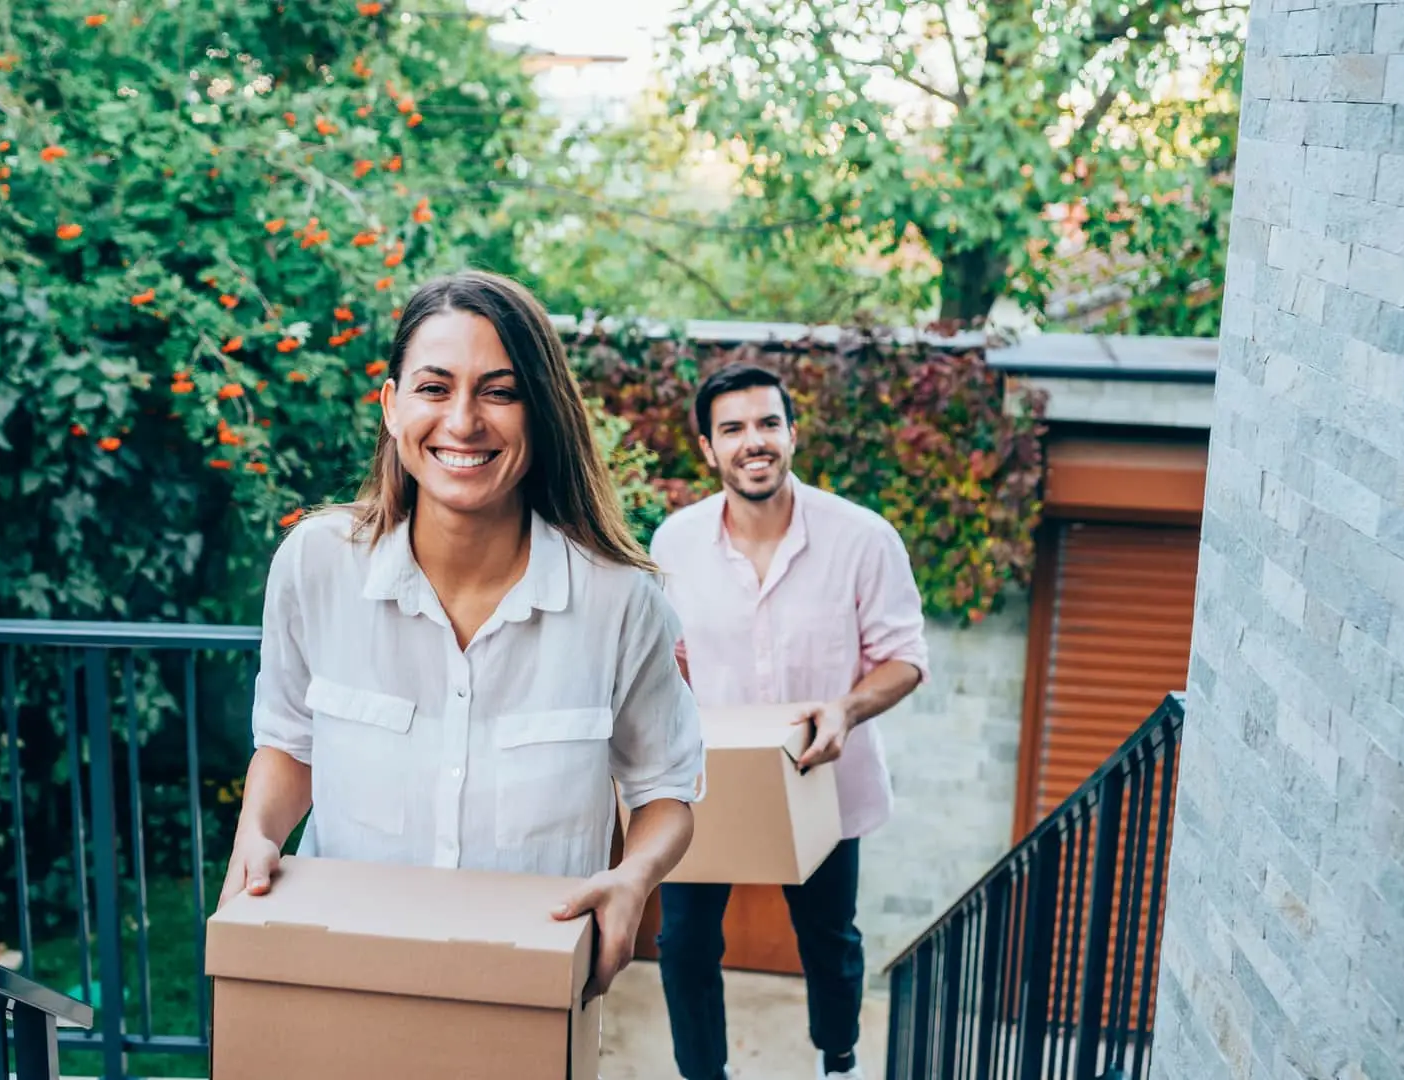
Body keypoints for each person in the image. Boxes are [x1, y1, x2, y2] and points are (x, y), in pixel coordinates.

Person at [218, 269, 705, 1001]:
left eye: (500, 392)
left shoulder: (622, 602)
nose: (464, 421)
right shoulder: (314, 566)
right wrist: (257, 832)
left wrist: (633, 878)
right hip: (341, 975)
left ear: (539, 413)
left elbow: (664, 788)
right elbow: (289, 742)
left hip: (526, 992)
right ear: (391, 406)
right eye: (435, 387)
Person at [650, 362, 929, 1080]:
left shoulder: (862, 538)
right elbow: (668, 664)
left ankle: (838, 1059)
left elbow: (904, 658)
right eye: (733, 428)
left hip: (821, 782)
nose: (754, 441)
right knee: (682, 944)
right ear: (708, 448)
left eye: (768, 423)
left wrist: (847, 707)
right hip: (709, 786)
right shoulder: (673, 545)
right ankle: (704, 1075)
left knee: (829, 941)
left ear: (792, 433)